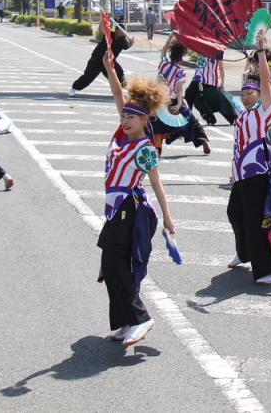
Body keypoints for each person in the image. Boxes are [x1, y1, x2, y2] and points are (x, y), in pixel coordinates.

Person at [97, 48, 176, 347]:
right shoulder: (121, 137)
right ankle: (123, 321)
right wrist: (110, 69)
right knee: (110, 264)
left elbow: (157, 184)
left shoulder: (143, 148)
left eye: (132, 117)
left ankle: (141, 319)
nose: (126, 120)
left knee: (116, 264)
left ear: (145, 121)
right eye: (124, 116)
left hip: (130, 208)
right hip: (114, 210)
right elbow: (120, 97)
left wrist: (168, 218)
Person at [227, 48, 271, 285]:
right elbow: (237, 146)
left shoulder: (265, 112)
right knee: (235, 212)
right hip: (242, 174)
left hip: (260, 173)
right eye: (243, 93)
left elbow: (265, 81)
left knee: (258, 221)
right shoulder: (243, 116)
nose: (245, 96)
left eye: (250, 92)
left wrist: (262, 55)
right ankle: (244, 252)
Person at [153, 39, 211, 155]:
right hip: (175, 101)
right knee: (191, 120)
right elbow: (179, 90)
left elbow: (164, 49)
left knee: (156, 124)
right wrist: (179, 104)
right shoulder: (180, 71)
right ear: (181, 58)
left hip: (160, 100)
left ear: (171, 53)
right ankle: (204, 141)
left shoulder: (163, 64)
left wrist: (170, 37)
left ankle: (157, 149)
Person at [69, 26, 130, 97]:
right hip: (97, 59)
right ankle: (74, 88)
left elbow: (127, 46)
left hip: (109, 61)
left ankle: (120, 90)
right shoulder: (109, 34)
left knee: (119, 73)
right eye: (120, 31)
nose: (122, 33)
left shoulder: (123, 40)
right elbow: (101, 29)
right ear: (116, 31)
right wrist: (102, 18)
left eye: (123, 31)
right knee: (88, 76)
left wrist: (131, 42)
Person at [184, 51, 237, 126]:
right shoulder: (205, 46)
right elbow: (221, 66)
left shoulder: (215, 49)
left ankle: (209, 117)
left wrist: (222, 82)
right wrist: (222, 82)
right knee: (197, 98)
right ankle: (190, 118)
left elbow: (221, 66)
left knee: (197, 98)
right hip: (203, 79)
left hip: (207, 79)